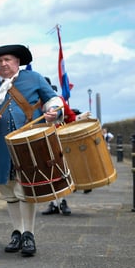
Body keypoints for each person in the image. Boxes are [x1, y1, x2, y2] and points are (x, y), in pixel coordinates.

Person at [0, 44, 62, 257]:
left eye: (8, 60)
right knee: (9, 190)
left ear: (18, 62)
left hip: (28, 145)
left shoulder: (34, 78)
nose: (3, 64)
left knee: (25, 190)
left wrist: (53, 110)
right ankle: (17, 232)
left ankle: (28, 234)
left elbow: (53, 99)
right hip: (0, 145)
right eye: (0, 61)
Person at [41, 78, 75, 216]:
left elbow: (71, 118)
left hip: (57, 140)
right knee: (49, 174)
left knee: (61, 172)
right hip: (41, 142)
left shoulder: (59, 100)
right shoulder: (32, 104)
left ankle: (61, 202)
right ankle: (55, 203)